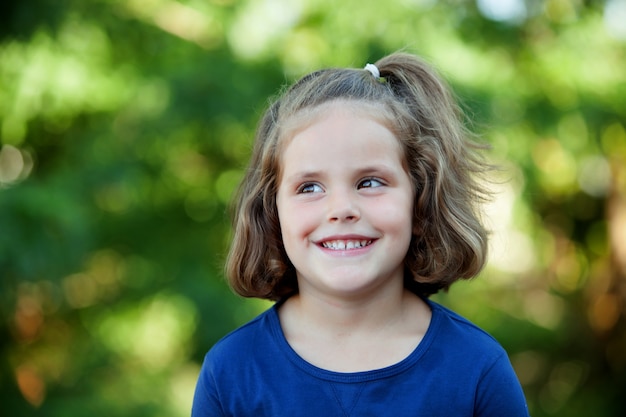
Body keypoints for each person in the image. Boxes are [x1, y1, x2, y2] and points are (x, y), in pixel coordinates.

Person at [191, 52, 530, 416]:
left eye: (369, 182)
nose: (341, 209)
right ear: (273, 212)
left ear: (420, 202)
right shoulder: (230, 373)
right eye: (309, 188)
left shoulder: (477, 370)